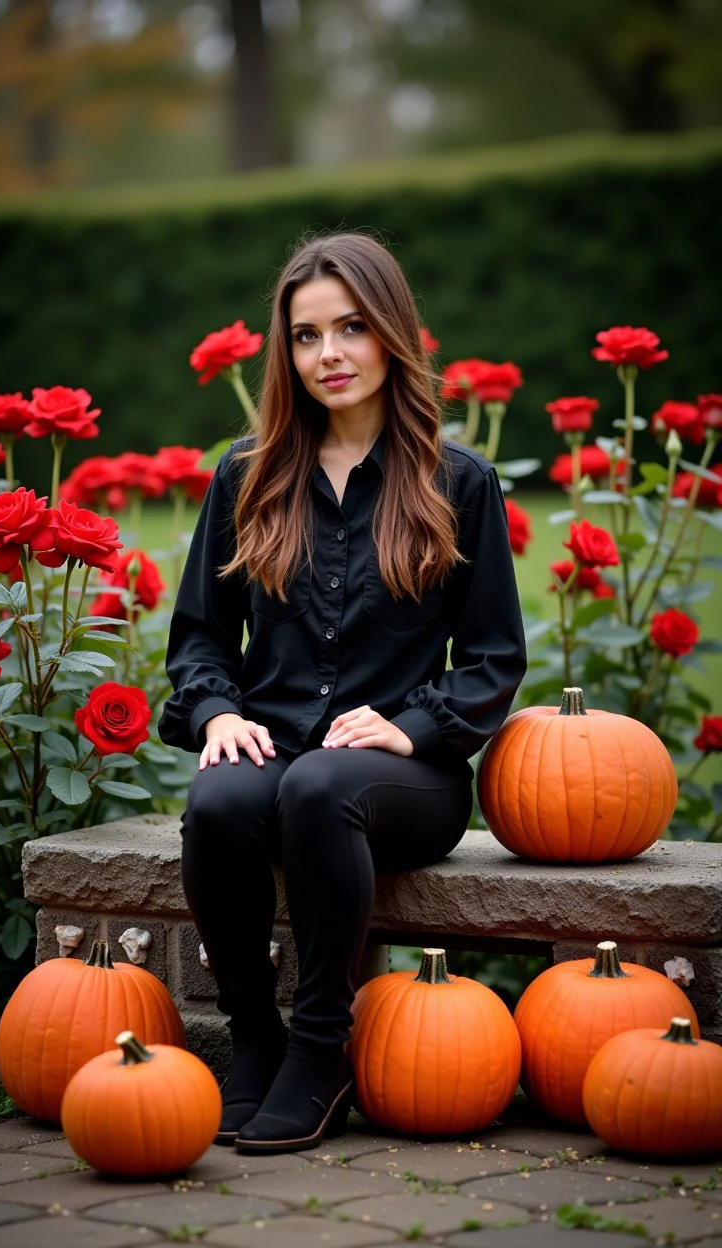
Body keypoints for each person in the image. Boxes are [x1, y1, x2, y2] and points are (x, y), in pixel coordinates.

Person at [158, 232, 527, 1156]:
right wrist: (219, 712)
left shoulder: (457, 482)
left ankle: (321, 1050)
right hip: (274, 749)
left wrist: (411, 729)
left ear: (393, 334)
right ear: (284, 352)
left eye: (352, 328)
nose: (330, 354)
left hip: (404, 780)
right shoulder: (248, 476)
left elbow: (492, 655)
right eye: (306, 335)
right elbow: (201, 635)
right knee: (215, 803)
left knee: (325, 783)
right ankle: (257, 1039)